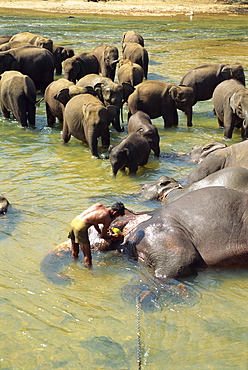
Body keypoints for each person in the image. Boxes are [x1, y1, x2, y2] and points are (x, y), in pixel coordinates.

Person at [68, 202, 125, 267]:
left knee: (75, 250)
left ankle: (73, 264)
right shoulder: (107, 219)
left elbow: (94, 221)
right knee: (88, 256)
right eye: (117, 216)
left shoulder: (98, 205)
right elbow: (103, 236)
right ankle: (89, 274)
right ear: (114, 212)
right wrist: (114, 236)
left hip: (74, 221)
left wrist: (100, 231)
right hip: (81, 227)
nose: (115, 217)